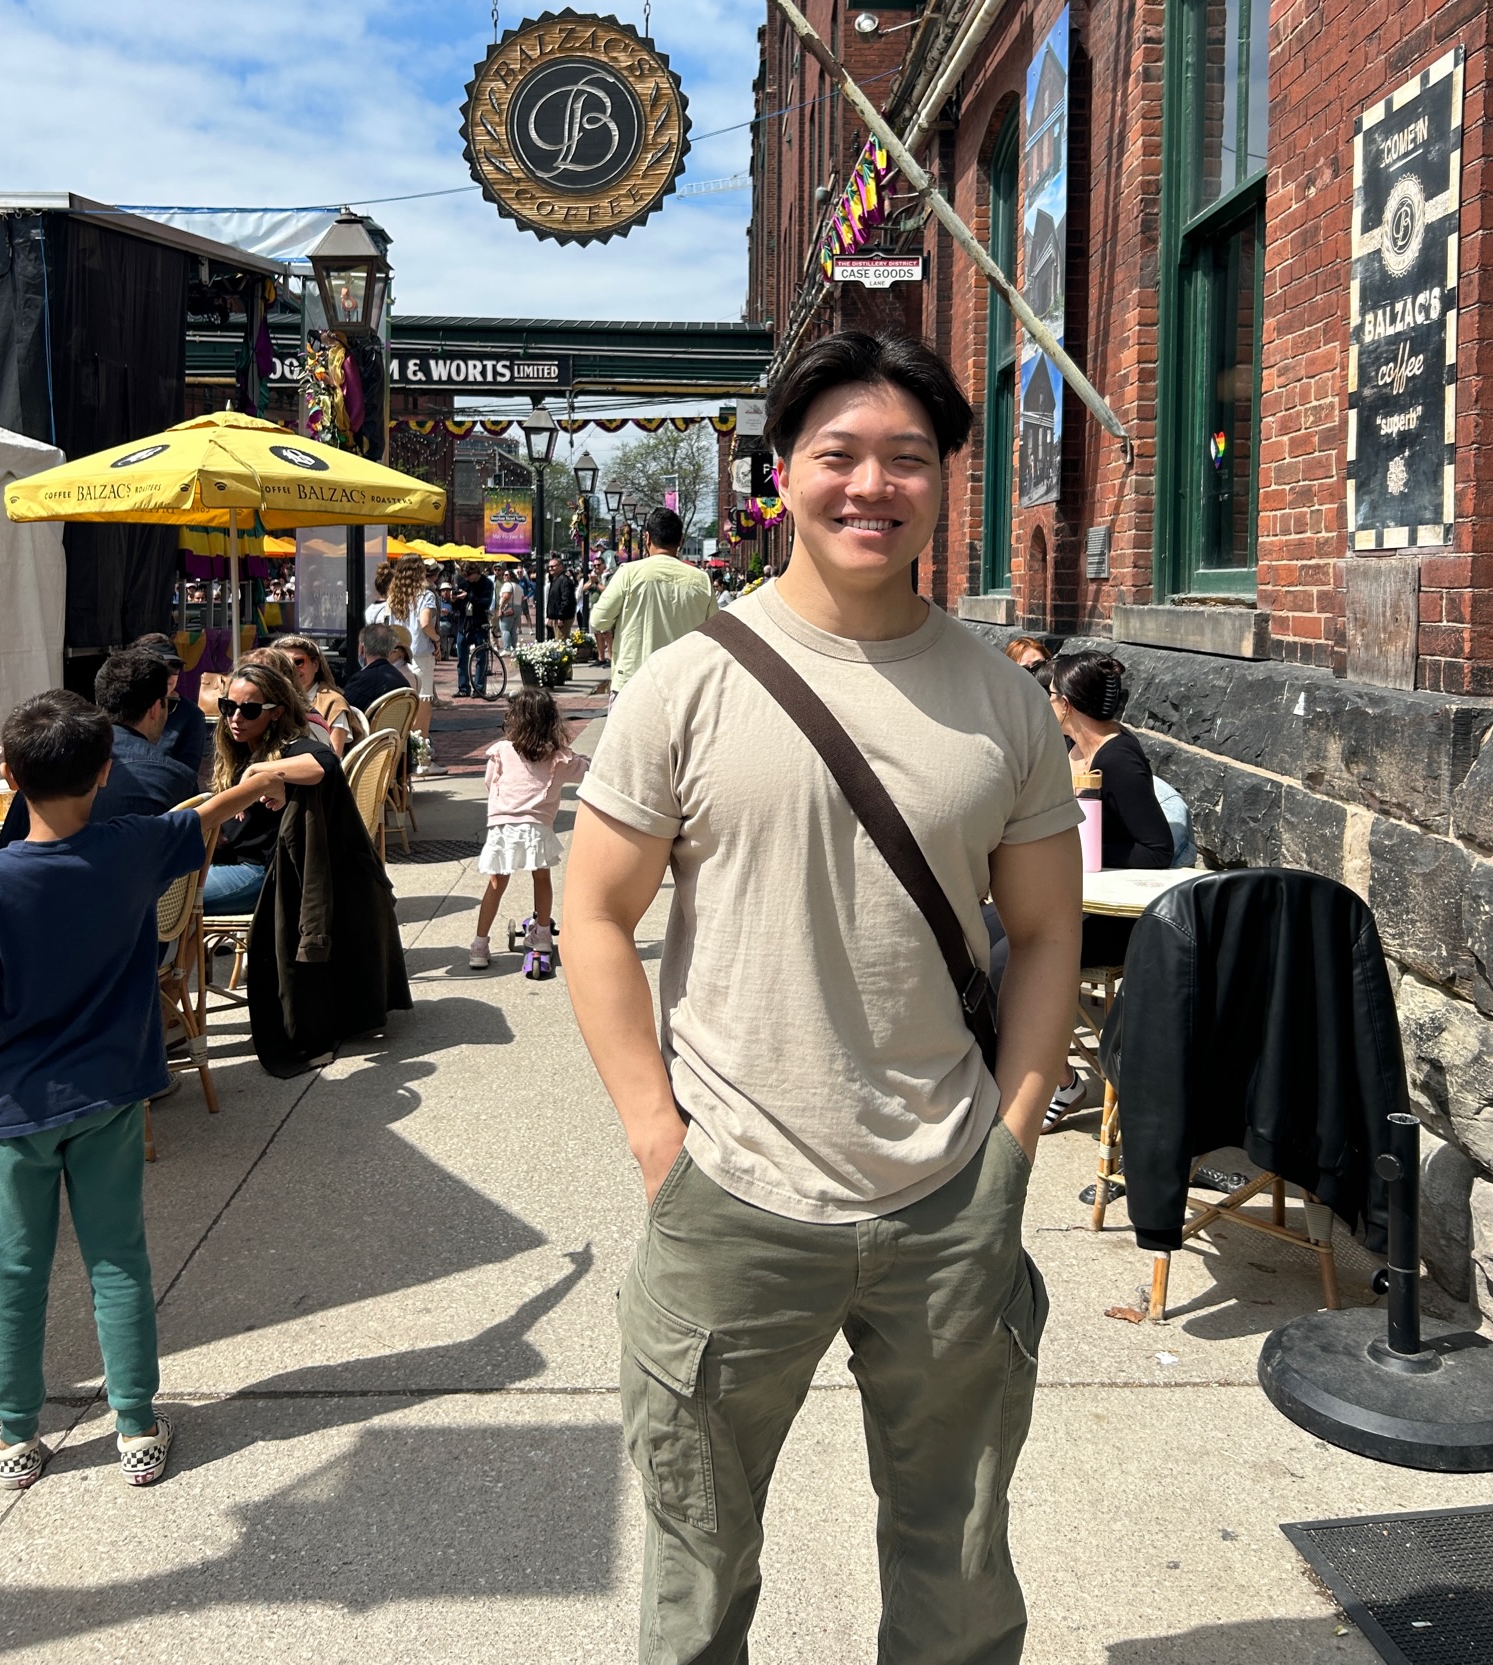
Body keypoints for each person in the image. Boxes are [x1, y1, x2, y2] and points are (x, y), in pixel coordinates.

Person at [563, 328, 1082, 1664]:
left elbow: (1041, 934)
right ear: (781, 473)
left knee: (958, 1571)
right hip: (731, 1201)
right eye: (839, 454)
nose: (873, 485)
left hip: (949, 1194)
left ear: (943, 482)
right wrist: (660, 1146)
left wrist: (1010, 1150)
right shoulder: (688, 685)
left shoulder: (1004, 705)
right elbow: (595, 911)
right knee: (696, 1576)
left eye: (907, 457)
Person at [0, 688, 288, 1490]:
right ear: (104, 773)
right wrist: (258, 782)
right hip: (110, 1091)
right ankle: (136, 1423)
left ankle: (15, 1434)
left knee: (16, 1271)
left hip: (16, 1106)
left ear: (7, 772)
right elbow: (203, 816)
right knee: (117, 1260)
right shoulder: (132, 848)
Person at [1041, 650, 1174, 1132]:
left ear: (1067, 704)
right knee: (976, 943)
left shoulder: (1119, 758)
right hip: (1068, 898)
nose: (1047, 703)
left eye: (1051, 694)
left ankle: (1061, 1084)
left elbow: (1158, 849)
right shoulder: (1071, 750)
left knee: (1010, 963)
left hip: (1115, 917)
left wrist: (1091, 855)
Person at [0, 650, 198, 845]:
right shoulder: (177, 778)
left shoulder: (48, 762)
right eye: (168, 704)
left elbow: (6, 847)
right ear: (155, 708)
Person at [469, 688, 588, 973]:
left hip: (503, 825)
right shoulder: (558, 758)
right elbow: (588, 770)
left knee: (496, 884)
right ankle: (543, 934)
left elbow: (490, 783)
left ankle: (479, 945)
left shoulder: (500, 751)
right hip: (537, 827)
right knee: (542, 877)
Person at [202, 662, 332, 918]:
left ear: (276, 712)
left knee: (157, 899)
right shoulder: (236, 749)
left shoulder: (289, 747)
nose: (235, 718)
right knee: (148, 889)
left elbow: (326, 764)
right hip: (224, 861)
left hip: (258, 873)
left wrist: (259, 772)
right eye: (228, 707)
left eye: (249, 710)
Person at [587, 505, 714, 696]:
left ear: (647, 538)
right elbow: (715, 633)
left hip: (633, 680)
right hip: (683, 683)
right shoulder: (701, 579)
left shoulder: (628, 573)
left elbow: (598, 620)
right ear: (680, 540)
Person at [374, 553, 439, 745]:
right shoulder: (425, 595)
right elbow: (425, 623)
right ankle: (420, 750)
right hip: (419, 652)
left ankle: (401, 747)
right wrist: (436, 639)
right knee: (423, 701)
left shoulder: (393, 596)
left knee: (400, 700)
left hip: (397, 652)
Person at [270, 634, 363, 759]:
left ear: (315, 664)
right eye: (284, 664)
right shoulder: (271, 701)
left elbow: (333, 757)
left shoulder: (333, 703)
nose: (291, 669)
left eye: (298, 662)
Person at [132, 633, 207, 777]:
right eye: (159, 668)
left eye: (175, 666)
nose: (169, 675)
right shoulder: (123, 707)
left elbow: (187, 774)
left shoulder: (191, 716)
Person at [343, 622, 411, 716]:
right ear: (390, 650)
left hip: (367, 730)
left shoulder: (362, 681)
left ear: (362, 649)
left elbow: (343, 708)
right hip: (397, 730)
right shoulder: (402, 682)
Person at [453, 565, 495, 699]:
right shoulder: (462, 582)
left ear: (477, 572)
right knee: (462, 658)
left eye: (469, 576)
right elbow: (459, 606)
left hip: (479, 624)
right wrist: (454, 601)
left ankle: (479, 688)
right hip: (464, 624)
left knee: (481, 658)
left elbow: (485, 603)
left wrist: (469, 597)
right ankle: (463, 687)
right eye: (465, 577)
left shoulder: (487, 583)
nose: (468, 579)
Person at [545, 556, 577, 641]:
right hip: (555, 616)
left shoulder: (564, 580)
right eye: (549, 567)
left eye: (553, 566)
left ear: (560, 567)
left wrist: (561, 617)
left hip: (563, 617)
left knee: (561, 642)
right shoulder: (555, 580)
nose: (550, 568)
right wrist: (550, 616)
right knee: (557, 641)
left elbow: (566, 600)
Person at [497, 569, 524, 655]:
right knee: (513, 630)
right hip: (518, 608)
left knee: (505, 629)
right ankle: (514, 648)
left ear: (511, 576)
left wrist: (500, 608)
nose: (504, 576)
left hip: (508, 607)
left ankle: (507, 648)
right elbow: (522, 598)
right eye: (504, 574)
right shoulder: (519, 586)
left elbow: (506, 596)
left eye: (506, 575)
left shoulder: (507, 585)